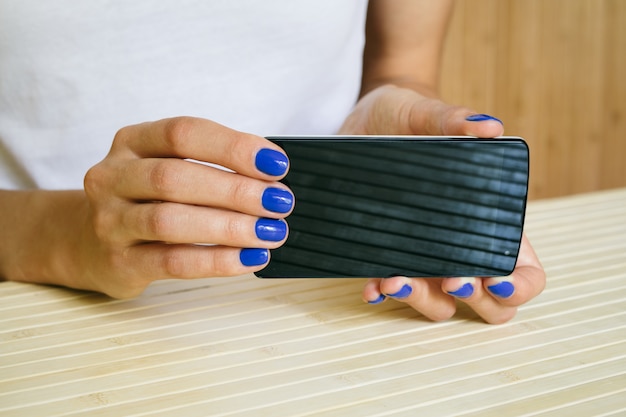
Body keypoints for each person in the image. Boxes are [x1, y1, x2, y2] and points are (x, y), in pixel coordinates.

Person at [0, 0, 545, 323]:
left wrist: (392, 152)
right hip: (43, 306)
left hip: (311, 305)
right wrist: (67, 238)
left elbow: (401, 67)